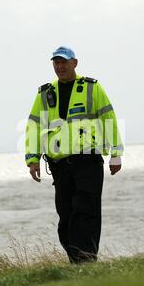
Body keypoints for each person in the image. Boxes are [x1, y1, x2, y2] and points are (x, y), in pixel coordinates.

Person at [25, 46, 123, 263]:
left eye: (64, 62)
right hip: (60, 166)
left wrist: (116, 153)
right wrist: (32, 159)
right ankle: (76, 261)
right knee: (66, 217)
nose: (60, 67)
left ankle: (86, 262)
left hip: (88, 161)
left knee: (85, 211)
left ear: (74, 63)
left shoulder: (91, 88)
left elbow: (109, 118)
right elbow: (34, 126)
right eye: (56, 63)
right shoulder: (44, 93)